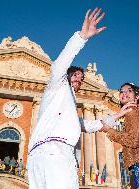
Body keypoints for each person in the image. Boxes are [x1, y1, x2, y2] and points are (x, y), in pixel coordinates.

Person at [28, 8, 107, 189]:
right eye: (76, 75)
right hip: (56, 153)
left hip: (39, 157)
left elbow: (85, 124)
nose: (79, 79)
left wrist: (113, 119)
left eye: (81, 78)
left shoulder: (64, 103)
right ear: (67, 76)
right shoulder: (58, 85)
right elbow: (59, 66)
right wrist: (81, 38)